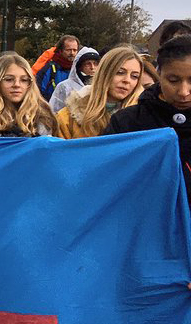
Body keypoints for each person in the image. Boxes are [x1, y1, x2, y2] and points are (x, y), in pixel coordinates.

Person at [105, 36, 191, 204]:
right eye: (173, 80)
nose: (183, 92)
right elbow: (107, 178)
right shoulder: (127, 122)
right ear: (159, 74)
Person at [55, 45, 142, 139]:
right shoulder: (67, 117)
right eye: (120, 72)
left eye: (134, 76)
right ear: (104, 73)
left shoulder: (143, 117)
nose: (127, 80)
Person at [0, 54, 58, 137]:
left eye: (24, 80)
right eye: (9, 79)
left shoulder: (43, 114)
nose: (17, 85)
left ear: (30, 83)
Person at [50, 46, 99, 113]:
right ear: (79, 66)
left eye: (95, 64)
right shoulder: (64, 86)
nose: (92, 67)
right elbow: (54, 111)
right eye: (88, 64)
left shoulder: (103, 86)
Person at [35, 35, 80, 100]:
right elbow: (38, 92)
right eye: (68, 50)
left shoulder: (79, 68)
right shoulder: (48, 69)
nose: (72, 53)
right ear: (60, 50)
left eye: (75, 50)